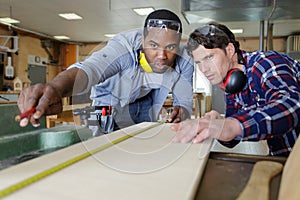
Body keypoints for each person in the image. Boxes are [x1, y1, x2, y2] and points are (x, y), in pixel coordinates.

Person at [17, 9, 194, 134]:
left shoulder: (185, 59)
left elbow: (184, 102)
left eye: (170, 47)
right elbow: (90, 69)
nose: (162, 55)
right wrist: (56, 87)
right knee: (107, 146)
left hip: (147, 99)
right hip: (111, 99)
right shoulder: (123, 48)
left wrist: (181, 111)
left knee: (144, 143)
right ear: (143, 39)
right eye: (153, 45)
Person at [171, 22, 300, 157]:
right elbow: (231, 140)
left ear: (230, 50)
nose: (204, 69)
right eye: (198, 62)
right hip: (285, 157)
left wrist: (232, 125)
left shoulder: (265, 62)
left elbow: (293, 105)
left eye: (209, 57)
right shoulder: (232, 85)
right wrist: (219, 123)